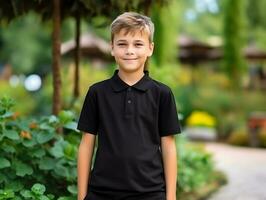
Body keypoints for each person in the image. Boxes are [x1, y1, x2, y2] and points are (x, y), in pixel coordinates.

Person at [77, 12, 181, 200]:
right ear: (112, 48)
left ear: (150, 48)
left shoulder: (162, 94)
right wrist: (82, 196)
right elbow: (86, 145)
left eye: (138, 44)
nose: (129, 50)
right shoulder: (97, 93)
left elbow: (169, 146)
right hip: (101, 193)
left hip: (151, 193)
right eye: (122, 44)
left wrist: (171, 197)